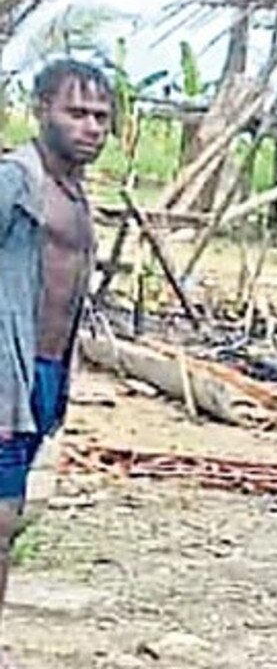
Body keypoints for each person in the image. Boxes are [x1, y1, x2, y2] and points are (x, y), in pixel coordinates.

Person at [0, 59, 111, 655]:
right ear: (41, 109)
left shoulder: (74, 190)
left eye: (100, 116)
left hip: (43, 377)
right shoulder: (16, 180)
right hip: (4, 376)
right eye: (76, 112)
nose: (91, 126)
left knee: (8, 521)